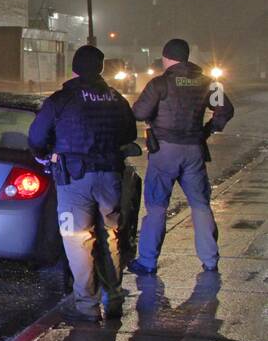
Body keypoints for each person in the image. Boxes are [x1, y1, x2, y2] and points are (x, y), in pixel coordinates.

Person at [28, 44, 137, 322]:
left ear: (75, 68)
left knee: (77, 241)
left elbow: (37, 138)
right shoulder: (116, 98)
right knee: (112, 237)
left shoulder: (62, 99)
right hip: (110, 177)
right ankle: (113, 298)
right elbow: (129, 134)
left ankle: (87, 306)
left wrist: (44, 156)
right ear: (101, 68)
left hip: (73, 180)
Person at [128, 38, 234, 276]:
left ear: (166, 58)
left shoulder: (160, 84)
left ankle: (147, 261)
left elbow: (139, 112)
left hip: (164, 151)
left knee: (156, 206)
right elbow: (226, 110)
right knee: (200, 204)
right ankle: (209, 260)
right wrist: (207, 130)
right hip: (194, 150)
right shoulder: (207, 82)